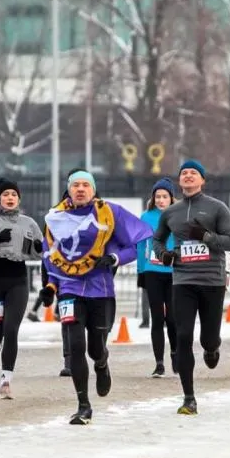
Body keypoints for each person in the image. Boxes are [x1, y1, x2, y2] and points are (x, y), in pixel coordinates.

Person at [40, 170, 151, 425]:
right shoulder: (55, 218)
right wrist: (50, 287)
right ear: (68, 189)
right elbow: (52, 259)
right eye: (75, 185)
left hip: (100, 289)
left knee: (95, 347)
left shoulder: (109, 213)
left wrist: (114, 258)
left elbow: (135, 244)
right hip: (69, 290)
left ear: (93, 189)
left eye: (86, 185)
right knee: (76, 346)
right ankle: (83, 405)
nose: (80, 189)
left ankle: (102, 363)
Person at [152, 160, 230, 415]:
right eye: (184, 173)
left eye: (193, 173)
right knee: (182, 336)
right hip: (183, 281)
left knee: (208, 338)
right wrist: (164, 254)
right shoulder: (171, 212)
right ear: (179, 181)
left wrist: (206, 237)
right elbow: (156, 239)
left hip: (211, 281)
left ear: (202, 180)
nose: (188, 176)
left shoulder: (216, 208)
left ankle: (212, 348)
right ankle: (189, 397)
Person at [0, 177, 44, 399]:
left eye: (13, 195)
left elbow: (38, 253)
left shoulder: (29, 223)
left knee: (11, 329)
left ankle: (6, 380)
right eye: (5, 195)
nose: (10, 198)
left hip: (18, 280)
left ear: (18, 198)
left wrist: (39, 248)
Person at [140, 178, 179, 377]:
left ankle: (174, 353)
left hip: (173, 273)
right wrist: (141, 272)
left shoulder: (178, 215)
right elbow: (140, 246)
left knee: (172, 318)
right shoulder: (146, 217)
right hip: (152, 272)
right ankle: (159, 362)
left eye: (164, 197)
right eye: (158, 196)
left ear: (172, 198)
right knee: (157, 318)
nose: (161, 200)